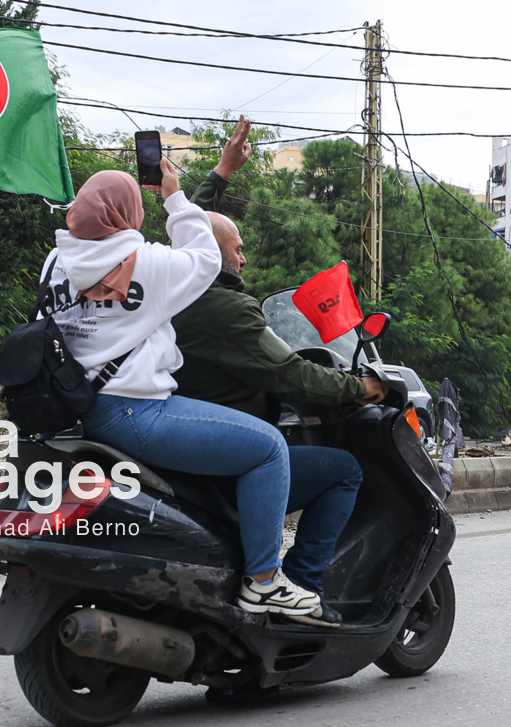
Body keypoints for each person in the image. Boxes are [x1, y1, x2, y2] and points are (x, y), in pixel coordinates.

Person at [38, 154, 320, 619]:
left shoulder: (56, 261)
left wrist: (216, 180)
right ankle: (264, 582)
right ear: (126, 214)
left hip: (71, 410)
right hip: (132, 412)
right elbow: (207, 256)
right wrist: (174, 196)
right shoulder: (145, 262)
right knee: (269, 447)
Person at [171, 117, 386, 628]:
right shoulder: (224, 309)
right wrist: (359, 387)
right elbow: (290, 374)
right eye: (238, 249)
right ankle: (299, 586)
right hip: (220, 453)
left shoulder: (167, 283)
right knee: (343, 472)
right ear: (216, 257)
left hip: (177, 438)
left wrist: (221, 173)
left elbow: (192, 226)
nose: (244, 258)